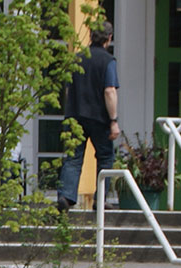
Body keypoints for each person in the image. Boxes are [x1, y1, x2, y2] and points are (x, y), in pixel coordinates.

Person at [57, 21, 120, 211]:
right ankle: (100, 200)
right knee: (106, 157)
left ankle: (66, 197)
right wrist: (114, 120)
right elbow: (109, 91)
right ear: (109, 38)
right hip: (99, 118)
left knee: (73, 158)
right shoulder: (108, 61)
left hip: (75, 115)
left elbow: (68, 90)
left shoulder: (77, 59)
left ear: (91, 37)